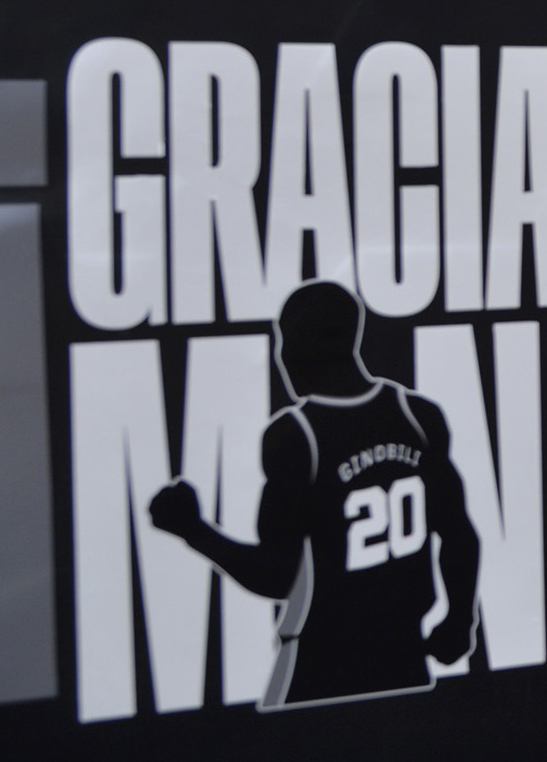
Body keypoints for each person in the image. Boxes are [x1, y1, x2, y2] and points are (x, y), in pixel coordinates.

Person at [148, 282, 479, 710]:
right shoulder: (417, 416)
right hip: (404, 658)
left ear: (298, 346)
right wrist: (458, 620)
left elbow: (275, 576)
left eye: (283, 341)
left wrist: (192, 529)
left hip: (324, 664)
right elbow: (459, 536)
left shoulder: (297, 437)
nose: (280, 357)